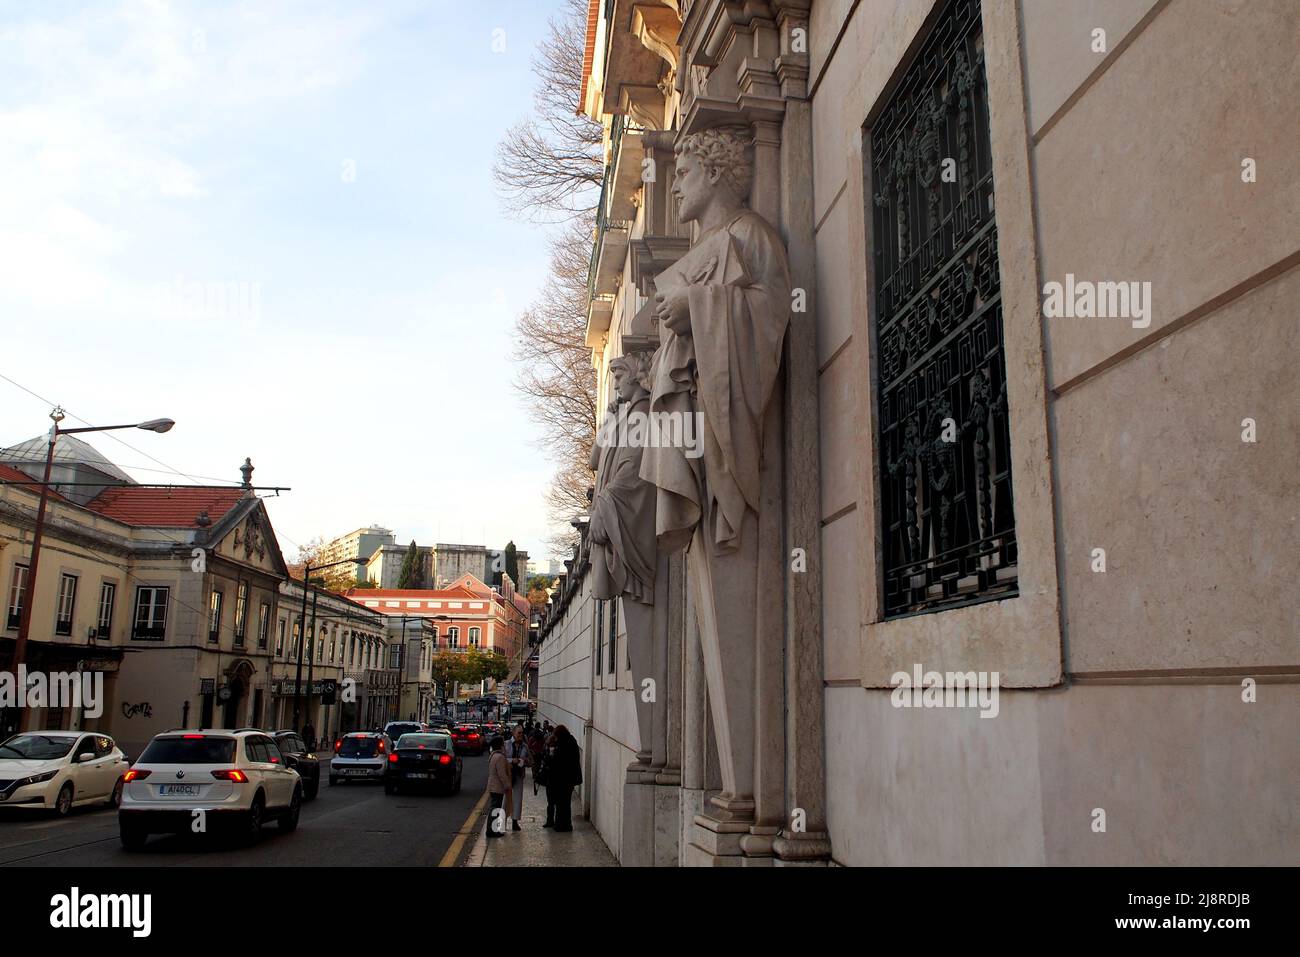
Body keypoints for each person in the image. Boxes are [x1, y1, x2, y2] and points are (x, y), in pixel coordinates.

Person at [546, 725, 582, 832]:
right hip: (570, 778)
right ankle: (566, 824)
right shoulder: (571, 741)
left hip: (562, 779)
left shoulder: (562, 744)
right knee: (566, 803)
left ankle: (561, 825)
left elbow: (556, 761)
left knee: (561, 803)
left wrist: (552, 750)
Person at [504, 726, 530, 831]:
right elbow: (502, 758)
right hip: (508, 774)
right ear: (513, 733)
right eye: (519, 733)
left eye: (522, 733)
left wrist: (524, 761)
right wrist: (511, 760)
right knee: (505, 800)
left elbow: (529, 759)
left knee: (518, 799)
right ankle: (502, 822)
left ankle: (515, 821)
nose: (521, 735)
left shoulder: (524, 746)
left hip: (519, 774)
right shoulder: (506, 744)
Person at [484, 736, 511, 839]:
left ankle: (491, 830)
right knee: (496, 809)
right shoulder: (500, 757)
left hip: (492, 785)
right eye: (503, 743)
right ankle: (492, 831)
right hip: (497, 786)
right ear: (500, 745)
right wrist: (507, 785)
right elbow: (502, 774)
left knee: (494, 808)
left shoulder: (493, 755)